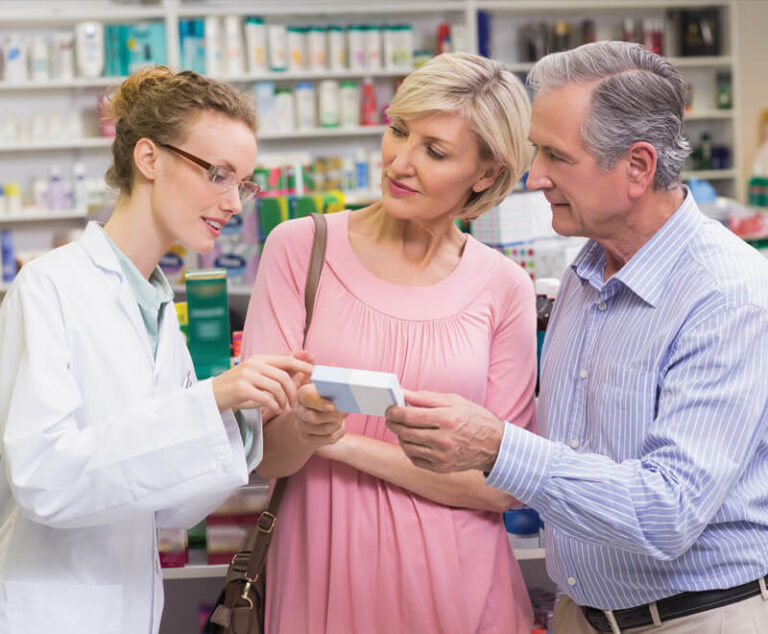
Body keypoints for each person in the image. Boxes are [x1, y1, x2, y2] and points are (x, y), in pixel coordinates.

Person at [386, 41, 768, 633]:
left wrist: (497, 448)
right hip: (581, 614)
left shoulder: (726, 293)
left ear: (638, 168)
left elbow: (669, 511)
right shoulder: (586, 272)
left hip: (694, 619)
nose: (534, 176)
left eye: (555, 156)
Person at [0, 67, 313, 634]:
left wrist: (244, 417)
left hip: (129, 609)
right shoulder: (50, 287)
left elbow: (166, 506)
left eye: (243, 184)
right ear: (149, 158)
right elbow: (43, 478)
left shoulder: (157, 307)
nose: (234, 203)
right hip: (48, 611)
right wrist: (211, 398)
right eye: (218, 174)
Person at [240, 52, 535, 634]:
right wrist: (300, 431)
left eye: (436, 150)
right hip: (323, 569)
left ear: (485, 173)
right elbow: (261, 454)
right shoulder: (301, 249)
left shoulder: (505, 287)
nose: (400, 162)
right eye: (399, 130)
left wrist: (339, 442)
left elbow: (502, 486)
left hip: (461, 584)